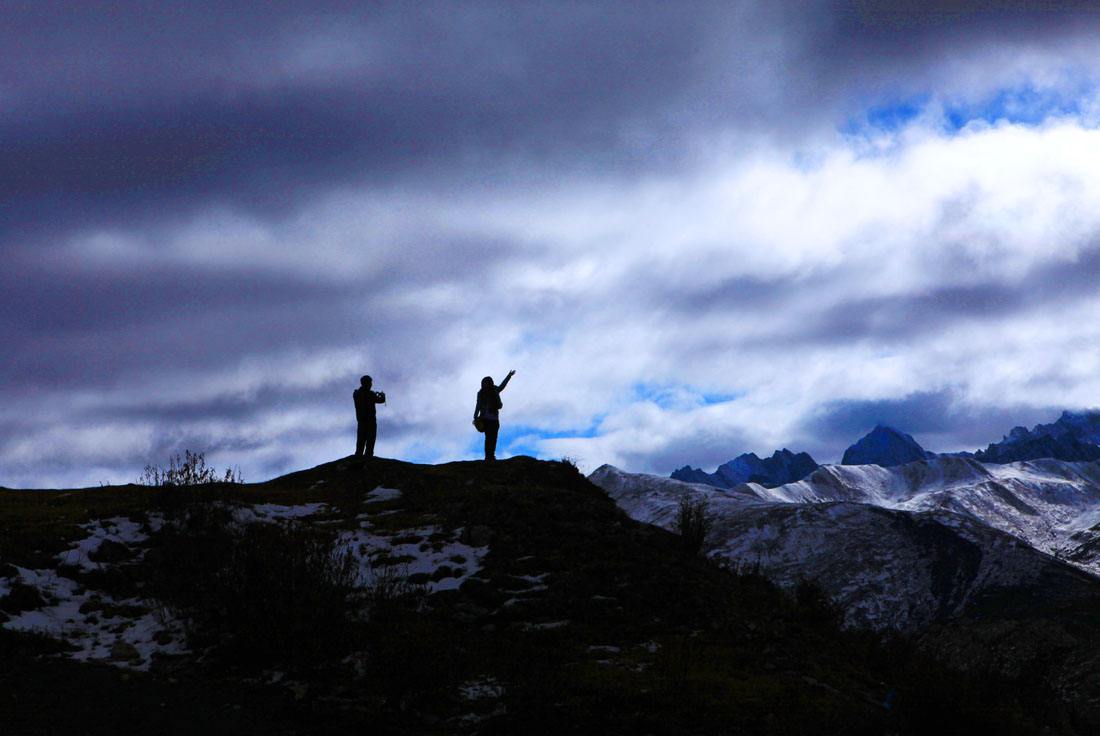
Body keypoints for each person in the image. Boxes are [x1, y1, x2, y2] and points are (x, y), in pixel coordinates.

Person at [473, 369, 515, 462]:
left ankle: (491, 455)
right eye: (484, 383)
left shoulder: (494, 389)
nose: (485, 384)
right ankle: (488, 456)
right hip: (486, 418)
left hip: (494, 418)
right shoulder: (481, 393)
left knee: (493, 437)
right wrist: (475, 416)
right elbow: (478, 404)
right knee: (489, 437)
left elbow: (502, 386)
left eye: (486, 382)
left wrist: (509, 376)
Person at [353, 375, 386, 458]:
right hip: (370, 421)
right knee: (370, 440)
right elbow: (381, 400)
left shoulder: (356, 393)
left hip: (361, 421)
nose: (371, 384)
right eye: (370, 383)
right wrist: (383, 395)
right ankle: (368, 457)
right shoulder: (370, 394)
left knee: (360, 440)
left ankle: (358, 456)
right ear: (367, 383)